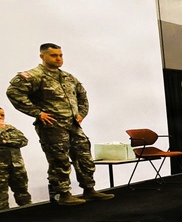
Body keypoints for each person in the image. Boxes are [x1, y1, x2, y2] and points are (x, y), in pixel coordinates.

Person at [5, 43, 113, 205]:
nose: (58, 58)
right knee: (59, 160)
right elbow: (13, 92)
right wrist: (38, 113)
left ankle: (89, 189)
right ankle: (63, 194)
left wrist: (81, 114)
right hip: (52, 127)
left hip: (73, 125)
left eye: (60, 55)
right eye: (54, 55)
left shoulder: (67, 77)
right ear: (42, 56)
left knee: (84, 157)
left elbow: (82, 95)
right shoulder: (34, 76)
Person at [0, 107, 31, 209]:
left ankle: (28, 215)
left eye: (2, 115)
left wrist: (6, 142)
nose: (1, 117)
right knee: (1, 195)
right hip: (1, 168)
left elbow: (23, 140)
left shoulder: (11, 128)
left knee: (23, 192)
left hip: (17, 166)